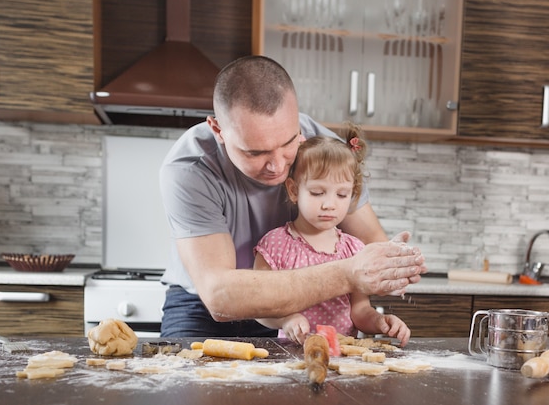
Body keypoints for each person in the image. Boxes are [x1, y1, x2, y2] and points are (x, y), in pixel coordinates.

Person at [159, 55, 426, 337]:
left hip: (300, 310)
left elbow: (372, 240)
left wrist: (392, 264)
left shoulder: (322, 150)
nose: (277, 166)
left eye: (288, 143)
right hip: (201, 308)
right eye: (255, 152)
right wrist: (348, 274)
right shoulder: (191, 168)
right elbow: (220, 296)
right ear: (218, 130)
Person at [253, 124, 411, 347]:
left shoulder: (354, 250)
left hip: (344, 358)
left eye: (342, 194)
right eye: (317, 193)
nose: (329, 204)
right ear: (294, 190)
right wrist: (285, 319)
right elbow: (259, 307)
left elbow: (359, 311)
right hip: (293, 356)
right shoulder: (275, 245)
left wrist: (379, 321)